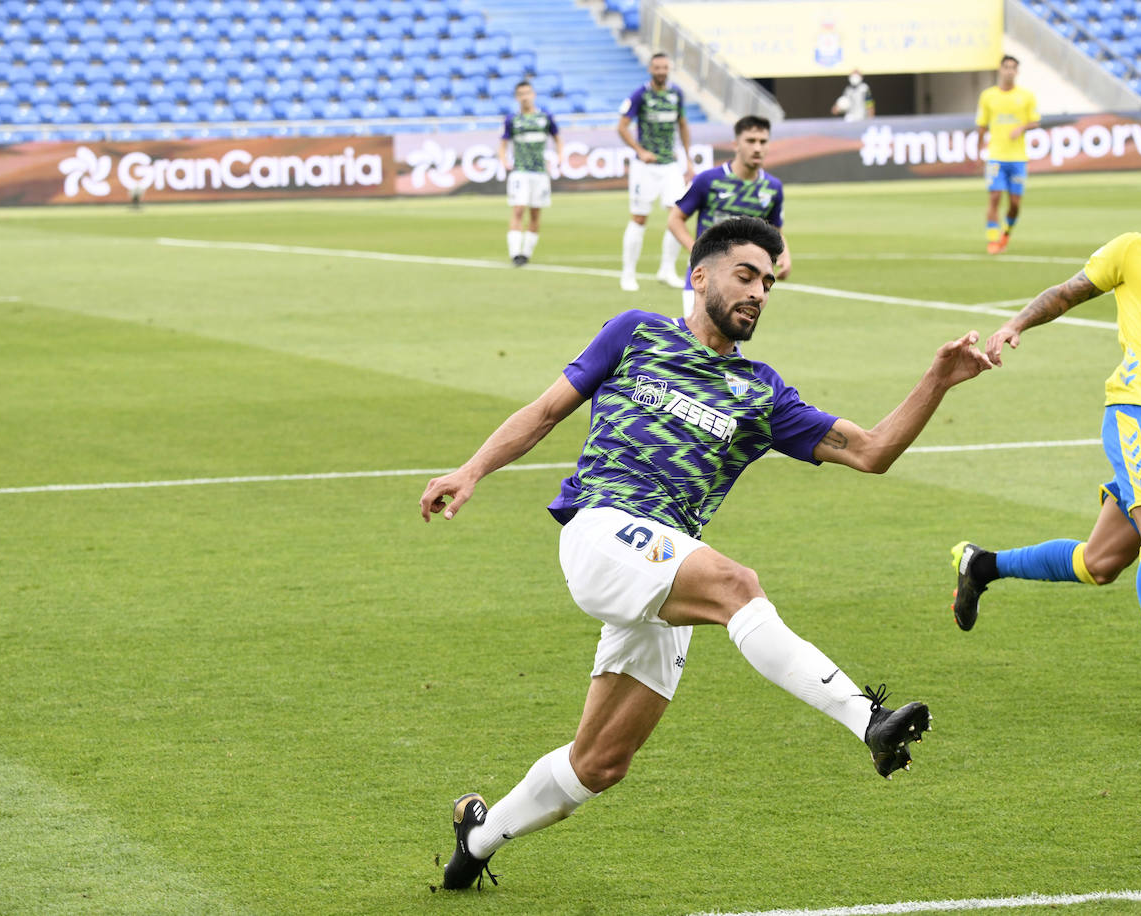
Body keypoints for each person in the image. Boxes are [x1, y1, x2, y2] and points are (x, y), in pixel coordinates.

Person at [421, 216, 995, 890]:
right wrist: (471, 470)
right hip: (602, 530)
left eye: (769, 283)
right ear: (701, 276)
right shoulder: (638, 332)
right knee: (735, 584)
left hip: (664, 561)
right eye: (746, 275)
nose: (758, 292)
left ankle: (478, 838)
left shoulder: (761, 392)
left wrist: (938, 378)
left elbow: (870, 451)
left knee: (600, 763)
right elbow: (546, 411)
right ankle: (866, 719)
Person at [949, 149, 1141, 729]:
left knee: (1100, 563)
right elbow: (1067, 292)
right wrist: (1016, 322)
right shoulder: (1133, 250)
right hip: (1138, 411)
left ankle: (982, 566)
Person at [667, 115, 790, 318]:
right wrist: (698, 251)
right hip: (704, 277)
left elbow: (775, 230)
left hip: (746, 282)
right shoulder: (708, 180)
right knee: (700, 343)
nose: (757, 148)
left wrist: (785, 255)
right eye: (750, 141)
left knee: (729, 345)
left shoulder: (772, 187)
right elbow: (675, 219)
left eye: (762, 141)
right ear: (736, 145)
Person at [617, 52, 695, 292]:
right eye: (657, 67)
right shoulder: (641, 95)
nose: (661, 71)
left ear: (668, 69)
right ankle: (628, 274)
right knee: (639, 218)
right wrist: (639, 150)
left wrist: (688, 160)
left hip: (670, 165)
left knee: (677, 216)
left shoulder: (676, 94)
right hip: (645, 168)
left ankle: (667, 269)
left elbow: (682, 125)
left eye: (664, 67)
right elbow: (622, 126)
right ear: (650, 69)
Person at [975, 55, 1039, 255]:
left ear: (1017, 72)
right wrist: (979, 152)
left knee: (1015, 204)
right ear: (1000, 70)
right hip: (996, 155)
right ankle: (992, 240)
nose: (1009, 71)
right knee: (994, 197)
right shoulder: (988, 96)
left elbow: (1035, 121)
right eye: (1006, 67)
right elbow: (982, 126)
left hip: (1018, 157)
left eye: (1013, 68)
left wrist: (1021, 127)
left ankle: (1006, 233)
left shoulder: (1026, 96)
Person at [499, 80, 564, 267]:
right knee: (518, 208)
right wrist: (503, 160)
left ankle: (526, 253)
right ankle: (515, 254)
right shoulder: (513, 119)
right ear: (517, 97)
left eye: (528, 93)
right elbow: (503, 144)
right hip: (520, 170)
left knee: (535, 213)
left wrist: (560, 156)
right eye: (521, 94)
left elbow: (558, 138)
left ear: (533, 94)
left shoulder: (545, 118)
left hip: (540, 172)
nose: (525, 97)